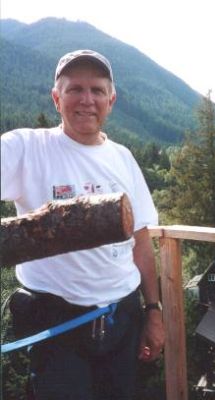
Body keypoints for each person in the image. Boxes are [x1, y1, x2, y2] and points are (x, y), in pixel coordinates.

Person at [1, 49, 165, 400]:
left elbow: (141, 242)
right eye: (75, 89)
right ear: (56, 98)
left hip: (123, 316)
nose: (86, 100)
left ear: (111, 99)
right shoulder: (25, 148)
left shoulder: (123, 157)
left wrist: (153, 311)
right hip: (55, 322)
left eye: (97, 90)